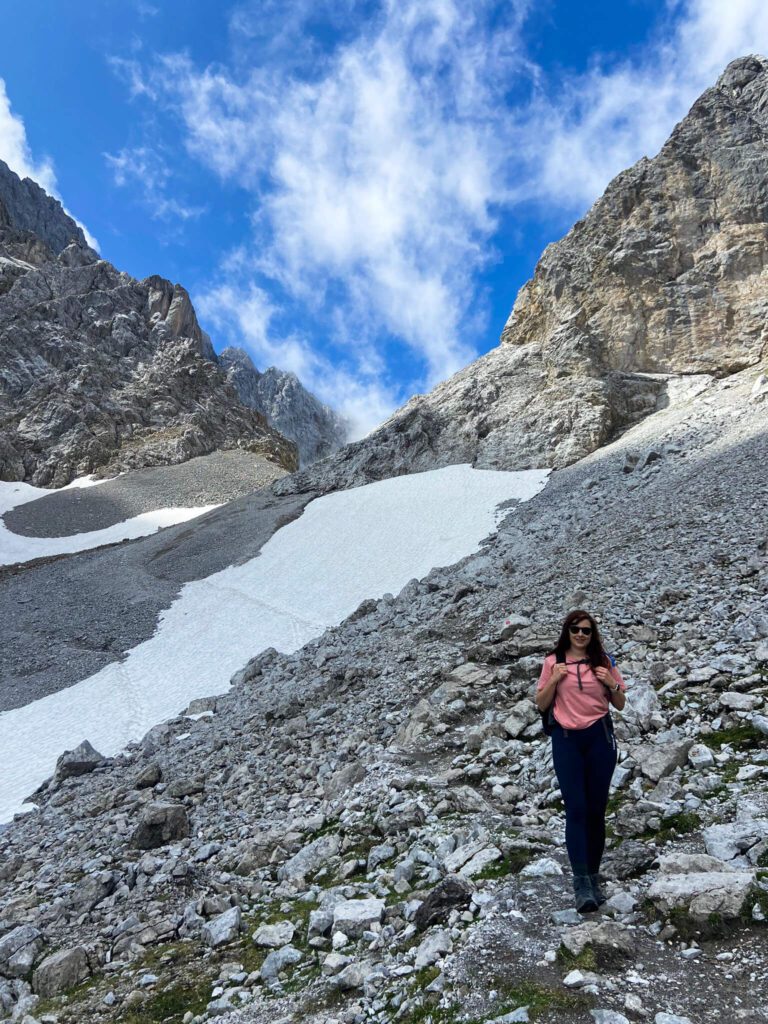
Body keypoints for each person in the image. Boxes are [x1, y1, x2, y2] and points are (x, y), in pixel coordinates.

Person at [535, 609, 627, 913]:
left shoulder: (604, 661)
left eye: (586, 630)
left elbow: (621, 703)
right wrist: (554, 680)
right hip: (566, 740)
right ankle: (581, 884)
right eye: (575, 629)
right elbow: (541, 703)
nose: (580, 635)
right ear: (567, 631)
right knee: (576, 809)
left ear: (592, 634)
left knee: (596, 810)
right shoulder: (553, 662)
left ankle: (594, 877)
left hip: (599, 739)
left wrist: (610, 682)